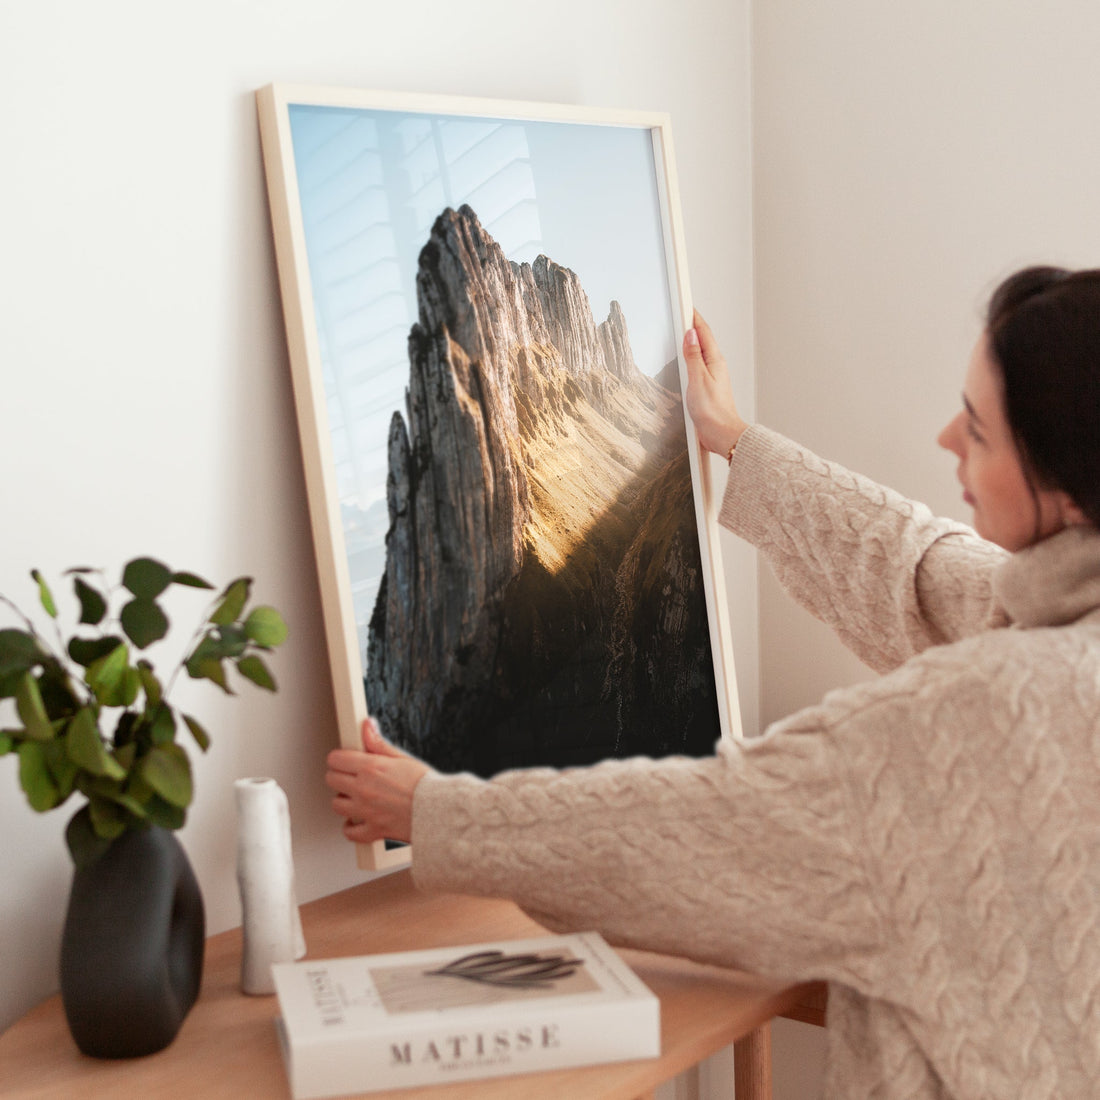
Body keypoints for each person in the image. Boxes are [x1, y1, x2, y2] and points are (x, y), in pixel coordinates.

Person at [325, 266, 1100, 1099]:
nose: (948, 437)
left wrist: (435, 813)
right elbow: (918, 569)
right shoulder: (1062, 622)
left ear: (1065, 488)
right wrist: (735, 440)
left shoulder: (979, 717)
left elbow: (704, 828)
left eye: (980, 432)